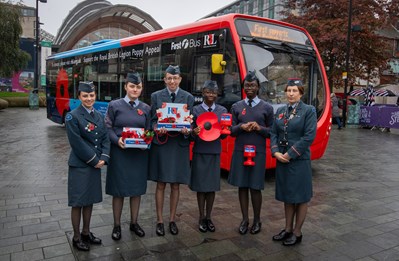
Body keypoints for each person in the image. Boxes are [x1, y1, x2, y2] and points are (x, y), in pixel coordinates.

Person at [148, 65, 194, 236]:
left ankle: (172, 220)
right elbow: (152, 120)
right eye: (169, 78)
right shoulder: (156, 96)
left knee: (175, 184)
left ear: (180, 79)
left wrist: (187, 129)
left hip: (179, 145)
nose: (172, 81)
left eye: (175, 78)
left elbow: (190, 122)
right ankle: (160, 221)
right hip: (163, 144)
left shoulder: (188, 97)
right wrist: (157, 127)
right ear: (165, 79)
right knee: (160, 183)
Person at [270, 79, 317, 246]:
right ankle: (288, 228)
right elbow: (273, 132)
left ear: (301, 93)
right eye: (288, 90)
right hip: (282, 160)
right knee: (287, 196)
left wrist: (289, 154)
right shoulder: (281, 110)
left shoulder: (308, 110)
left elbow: (308, 137)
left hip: (298, 161)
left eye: (294, 90)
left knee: (301, 197)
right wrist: (275, 151)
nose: (291, 93)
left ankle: (297, 232)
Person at [105, 72, 151, 240]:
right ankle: (116, 225)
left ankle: (134, 223)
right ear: (125, 87)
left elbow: (148, 130)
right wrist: (117, 141)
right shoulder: (114, 105)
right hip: (120, 153)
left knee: (136, 190)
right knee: (118, 190)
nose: (135, 89)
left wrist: (148, 140)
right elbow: (108, 128)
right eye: (132, 86)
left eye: (138, 87)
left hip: (138, 155)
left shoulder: (146, 108)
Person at [65, 82, 110, 251]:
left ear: (95, 95)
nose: (89, 98)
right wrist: (94, 160)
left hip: (95, 164)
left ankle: (86, 232)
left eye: (91, 95)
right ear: (79, 97)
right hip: (80, 165)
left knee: (89, 200)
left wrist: (104, 158)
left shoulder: (98, 115)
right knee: (78, 202)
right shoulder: (72, 116)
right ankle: (76, 237)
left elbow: (105, 138)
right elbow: (77, 143)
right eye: (85, 96)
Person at [228, 71, 274, 235]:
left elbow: (271, 132)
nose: (249, 88)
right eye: (247, 85)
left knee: (255, 187)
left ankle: (257, 220)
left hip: (258, 152)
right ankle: (244, 219)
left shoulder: (267, 108)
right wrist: (240, 127)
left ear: (258, 87)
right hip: (241, 150)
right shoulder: (236, 107)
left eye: (252, 85)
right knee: (242, 186)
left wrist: (258, 128)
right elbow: (230, 130)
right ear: (243, 87)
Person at [190, 80, 228, 233]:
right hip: (200, 151)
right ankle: (201, 217)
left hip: (214, 152)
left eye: (214, 92)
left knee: (211, 187)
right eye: (208, 91)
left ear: (217, 94)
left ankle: (209, 217)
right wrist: (194, 132)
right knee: (200, 187)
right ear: (203, 92)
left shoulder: (222, 110)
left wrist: (226, 131)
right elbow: (191, 135)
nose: (211, 94)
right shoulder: (195, 110)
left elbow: (224, 135)